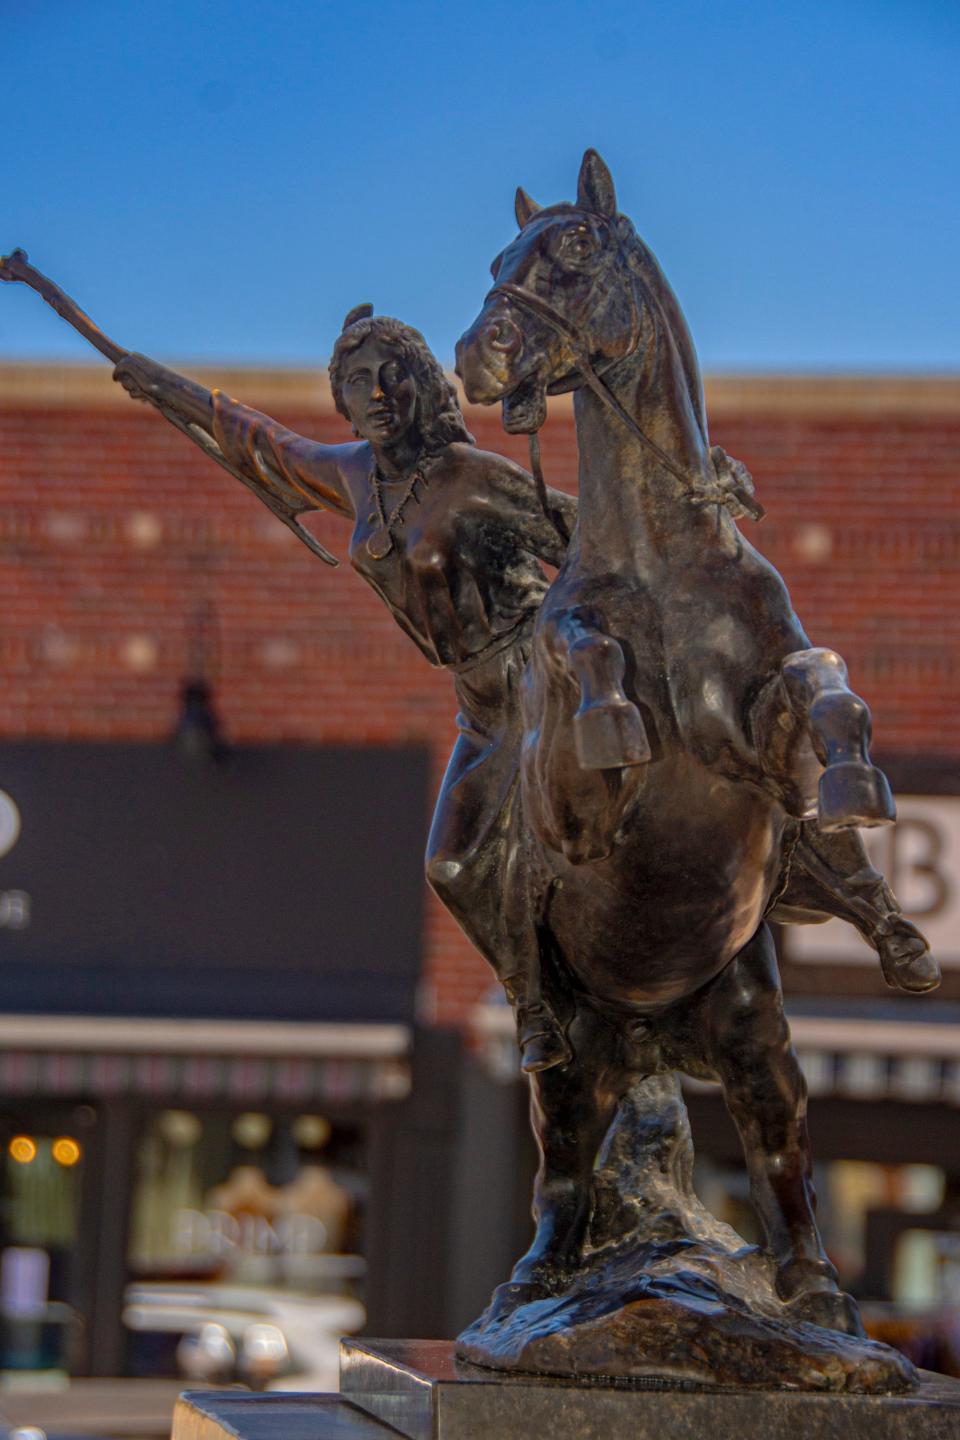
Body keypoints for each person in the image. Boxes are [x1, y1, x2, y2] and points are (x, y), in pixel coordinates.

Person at [112, 306, 577, 1072]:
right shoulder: (356, 475)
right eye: (358, 381)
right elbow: (260, 441)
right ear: (343, 399)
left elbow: (585, 532)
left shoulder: (470, 477)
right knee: (452, 867)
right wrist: (161, 386)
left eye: (395, 374)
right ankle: (537, 1004)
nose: (379, 391)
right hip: (480, 704)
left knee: (555, 852)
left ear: (426, 387)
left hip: (538, 677)